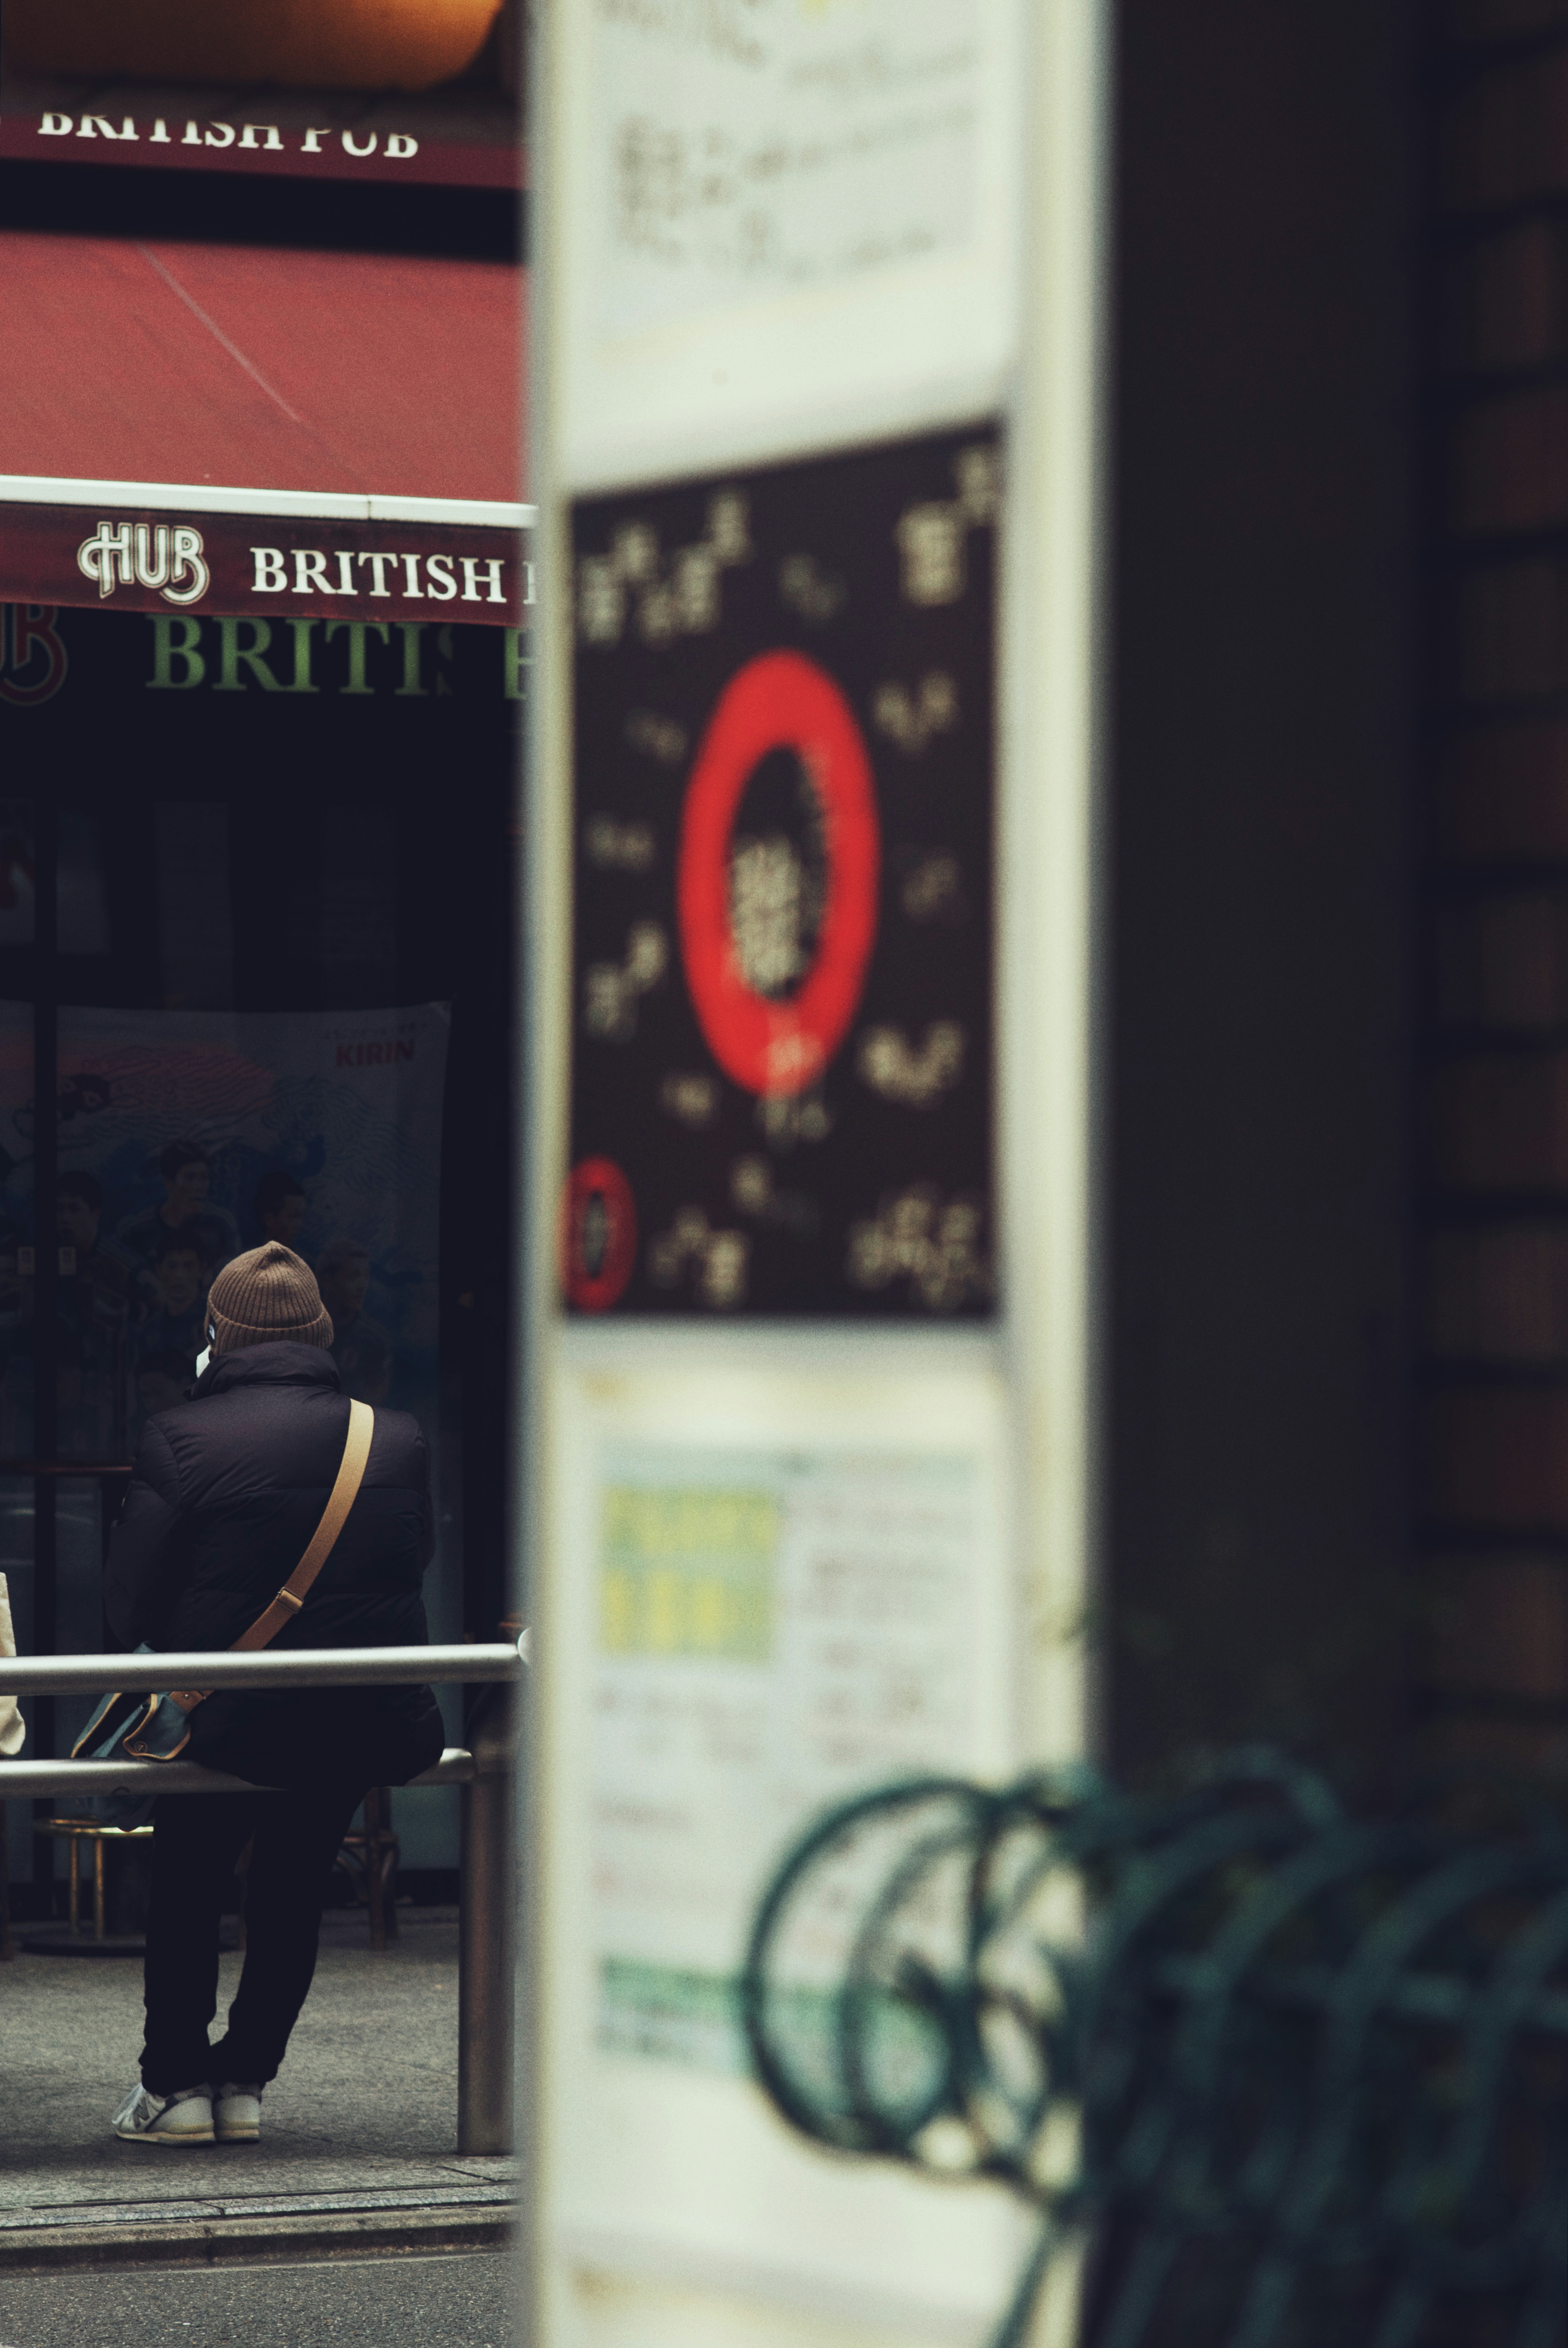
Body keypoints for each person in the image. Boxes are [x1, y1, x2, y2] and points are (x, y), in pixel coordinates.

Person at [100, 1241, 442, 2147]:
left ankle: (174, 2089)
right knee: (290, 1896)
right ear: (321, 1333)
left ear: (218, 1333)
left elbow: (124, 1600)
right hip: (355, 1711)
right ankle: (246, 2079)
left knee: (188, 1891)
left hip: (227, 1717)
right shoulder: (396, 1437)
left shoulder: (179, 1436)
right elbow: (416, 1562)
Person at [117, 1142, 239, 1297]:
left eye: (204, 1178)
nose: (199, 1186)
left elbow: (236, 1271)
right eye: (190, 1177)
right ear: (168, 1182)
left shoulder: (221, 1225)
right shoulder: (136, 1230)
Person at [317, 1238, 393, 1405]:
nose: (362, 1286)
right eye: (353, 1277)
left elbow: (377, 1394)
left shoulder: (375, 1339)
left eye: (366, 1277)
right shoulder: (300, 1331)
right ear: (327, 1281)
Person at [253, 1170, 308, 1256]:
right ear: (269, 1219)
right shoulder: (242, 1265)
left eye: (301, 1217)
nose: (299, 1225)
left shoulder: (305, 1265)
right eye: (294, 1216)